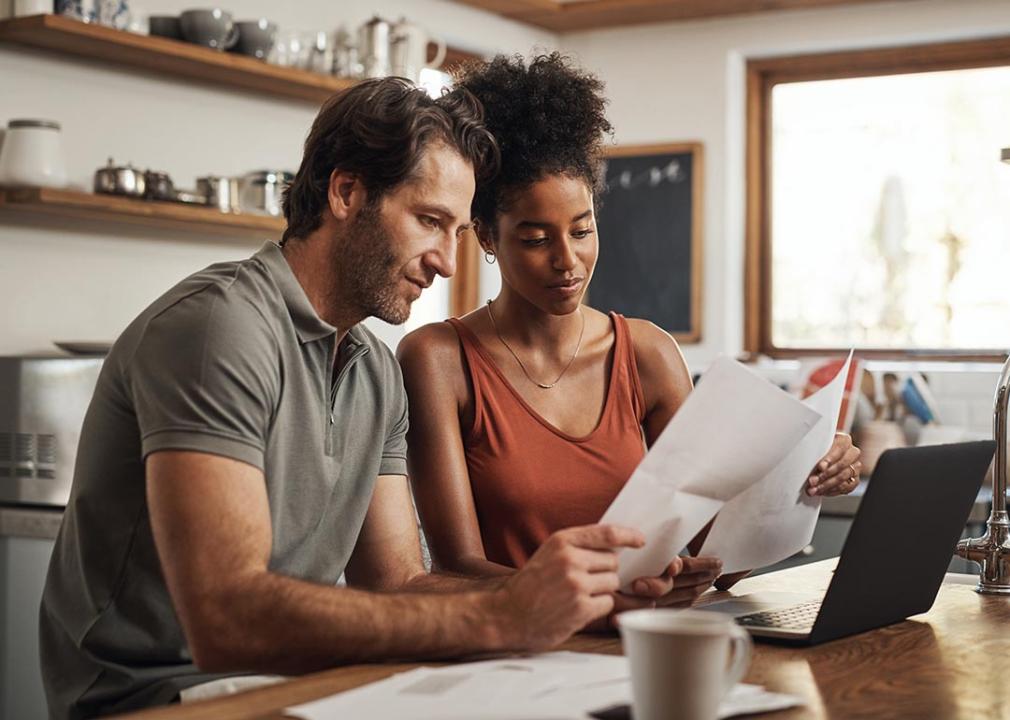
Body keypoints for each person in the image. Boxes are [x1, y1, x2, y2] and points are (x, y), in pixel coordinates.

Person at [39, 78, 648, 720]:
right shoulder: (220, 329)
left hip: (291, 686)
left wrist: (583, 597)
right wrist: (501, 616)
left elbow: (399, 584)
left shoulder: (375, 372)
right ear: (347, 192)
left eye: (458, 233)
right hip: (154, 699)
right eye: (428, 221)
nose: (445, 261)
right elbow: (227, 619)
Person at [397, 54, 862, 615]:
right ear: (487, 238)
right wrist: (600, 602)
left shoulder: (646, 353)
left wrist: (801, 480)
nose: (567, 260)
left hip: (643, 643)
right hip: (516, 653)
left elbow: (715, 555)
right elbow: (457, 569)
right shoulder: (437, 359)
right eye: (535, 238)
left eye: (582, 229)